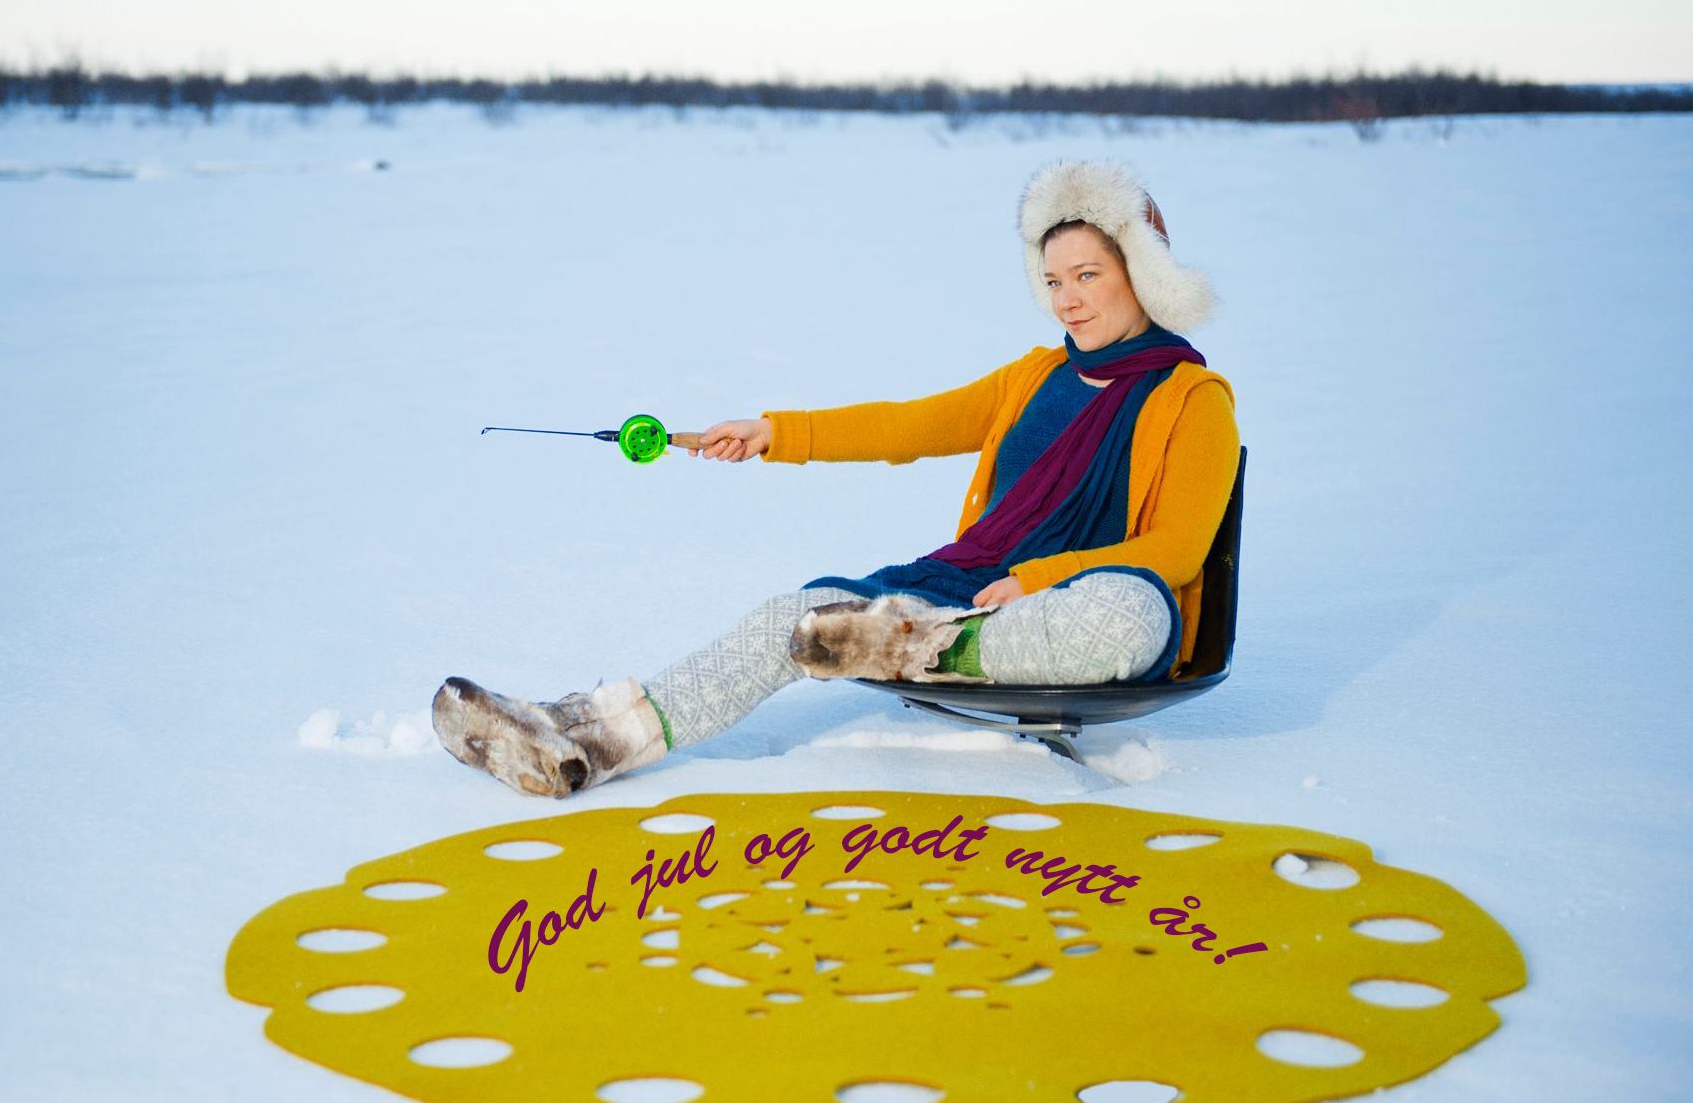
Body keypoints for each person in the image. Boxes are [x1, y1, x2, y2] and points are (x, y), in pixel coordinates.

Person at [433, 158, 1240, 799]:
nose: (1067, 300)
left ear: (1141, 270)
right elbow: (908, 423)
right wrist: (775, 433)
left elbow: (1173, 549)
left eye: (1088, 275)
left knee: (1129, 613)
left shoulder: (1193, 399)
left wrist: (1040, 578)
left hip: (1085, 610)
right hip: (974, 589)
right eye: (1054, 279)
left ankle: (910, 644)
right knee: (798, 619)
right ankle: (581, 738)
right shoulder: (1031, 377)